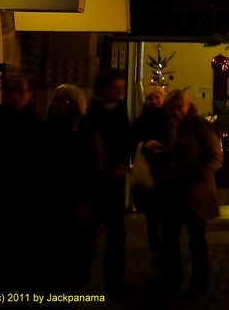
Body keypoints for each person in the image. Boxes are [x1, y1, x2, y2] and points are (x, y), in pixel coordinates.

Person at [0, 76, 50, 290]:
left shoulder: (38, 127)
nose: (14, 96)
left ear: (29, 94)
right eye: (10, 91)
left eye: (19, 92)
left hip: (26, 200)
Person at [161, 89, 223, 296]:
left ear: (187, 106)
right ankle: (172, 277)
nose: (177, 113)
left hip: (195, 192)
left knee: (196, 239)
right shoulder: (173, 127)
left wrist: (198, 176)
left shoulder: (200, 126)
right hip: (175, 190)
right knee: (170, 236)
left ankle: (200, 282)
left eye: (180, 108)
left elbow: (215, 157)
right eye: (173, 109)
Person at [46, 84, 103, 289]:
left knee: (76, 243)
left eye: (65, 101)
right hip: (53, 195)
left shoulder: (85, 132)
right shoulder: (47, 129)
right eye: (56, 100)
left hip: (77, 196)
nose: (59, 105)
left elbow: (94, 167)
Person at [86, 68, 132, 292]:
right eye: (115, 88)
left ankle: (115, 278)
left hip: (115, 178)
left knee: (117, 231)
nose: (119, 92)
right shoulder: (91, 113)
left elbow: (126, 140)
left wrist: (123, 164)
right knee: (90, 229)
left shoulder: (119, 110)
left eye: (120, 89)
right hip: (96, 179)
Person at [132, 87, 170, 259]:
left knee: (166, 215)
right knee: (151, 216)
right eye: (150, 98)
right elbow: (132, 141)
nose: (153, 101)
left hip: (165, 172)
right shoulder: (140, 121)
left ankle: (168, 250)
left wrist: (162, 148)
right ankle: (156, 250)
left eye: (157, 97)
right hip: (148, 170)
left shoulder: (169, 120)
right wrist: (144, 146)